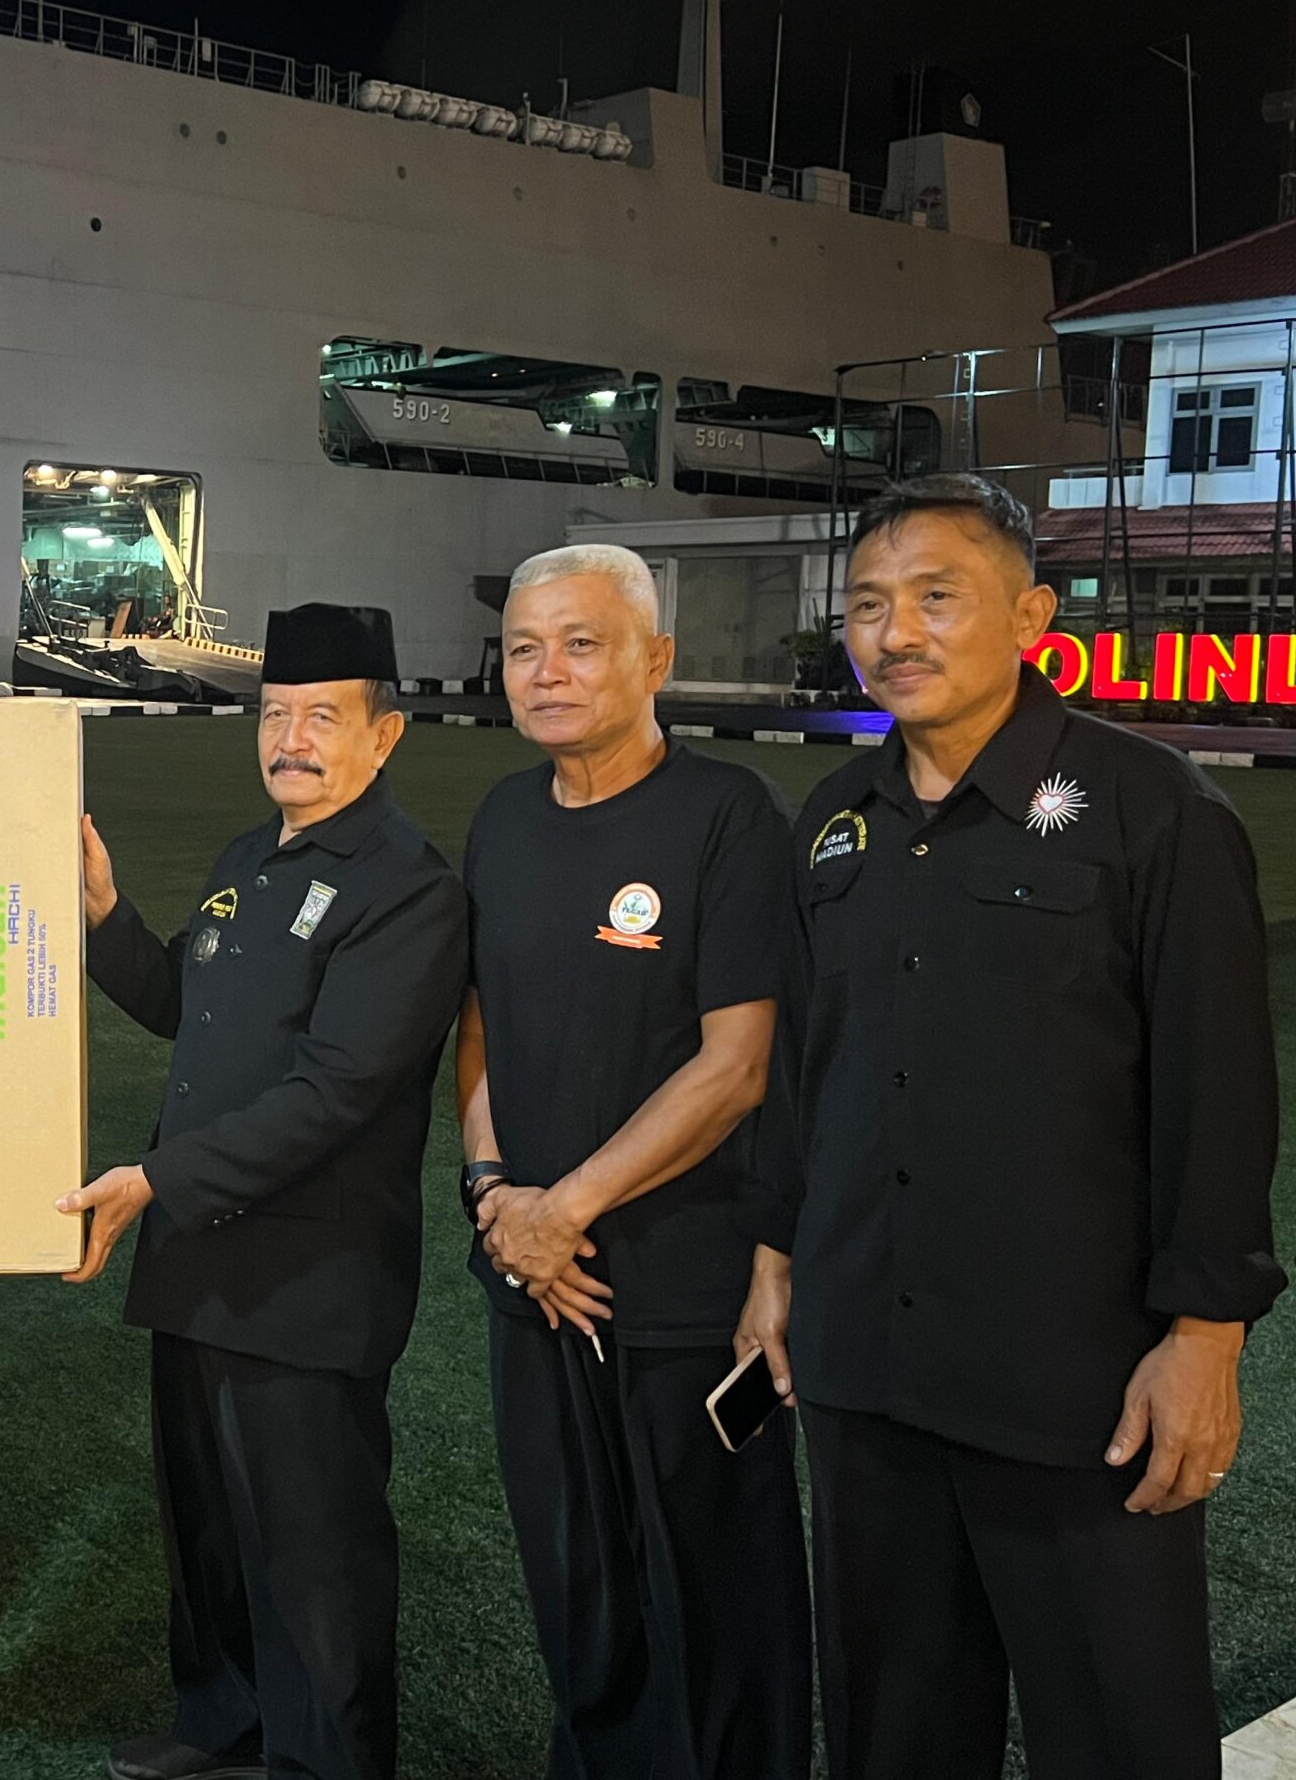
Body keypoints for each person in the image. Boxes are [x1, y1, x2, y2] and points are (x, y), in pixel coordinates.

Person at [738, 474, 1284, 1779]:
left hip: (1075, 1389)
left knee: (1121, 1733)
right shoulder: (835, 824)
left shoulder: (1151, 810)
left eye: (937, 597)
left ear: (1032, 617)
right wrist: (775, 1258)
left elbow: (1218, 1093)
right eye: (868, 605)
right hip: (868, 1371)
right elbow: (808, 1071)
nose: (895, 633)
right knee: (893, 1734)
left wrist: (1204, 1337)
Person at [64, 603, 471, 1780]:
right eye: (274, 715)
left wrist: (156, 1177)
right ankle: (224, 1729)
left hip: (306, 1279)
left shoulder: (406, 890)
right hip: (198, 1260)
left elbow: (336, 1093)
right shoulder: (250, 860)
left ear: (383, 735)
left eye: (323, 718)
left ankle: (324, 1760)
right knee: (206, 1523)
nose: (290, 741)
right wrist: (104, 915)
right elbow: (182, 1007)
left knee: (313, 1549)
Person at [458, 543, 810, 1779]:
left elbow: (736, 1065)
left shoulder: (727, 817)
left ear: (654, 659)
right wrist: (495, 1198)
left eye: (581, 644)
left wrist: (566, 1207)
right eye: (523, 649)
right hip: (532, 1285)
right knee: (577, 1590)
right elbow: (480, 1025)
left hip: (680, 1292)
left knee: (718, 1598)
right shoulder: (502, 819)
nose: (546, 672)